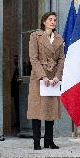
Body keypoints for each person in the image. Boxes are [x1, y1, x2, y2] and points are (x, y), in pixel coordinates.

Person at [27, 12, 65, 150]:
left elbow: (61, 59)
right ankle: (36, 142)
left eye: (55, 20)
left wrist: (57, 76)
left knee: (51, 109)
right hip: (38, 77)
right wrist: (43, 76)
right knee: (36, 109)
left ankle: (49, 140)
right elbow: (33, 58)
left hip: (53, 76)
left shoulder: (59, 38)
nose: (53, 22)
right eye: (50, 19)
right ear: (43, 21)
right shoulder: (35, 36)